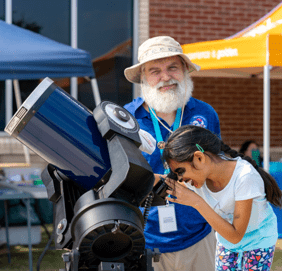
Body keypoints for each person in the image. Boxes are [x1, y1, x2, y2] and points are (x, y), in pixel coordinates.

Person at [124, 36, 221, 271]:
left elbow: (217, 170)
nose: (165, 77)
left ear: (185, 69)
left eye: (172, 67)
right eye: (155, 71)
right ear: (143, 78)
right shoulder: (126, 119)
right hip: (145, 239)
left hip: (200, 234)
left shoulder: (205, 114)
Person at [163, 125, 282, 271]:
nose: (181, 179)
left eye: (180, 171)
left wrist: (196, 202)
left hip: (257, 241)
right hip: (227, 243)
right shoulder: (197, 178)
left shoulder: (244, 177)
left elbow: (236, 235)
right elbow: (159, 180)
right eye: (177, 175)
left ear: (199, 158)